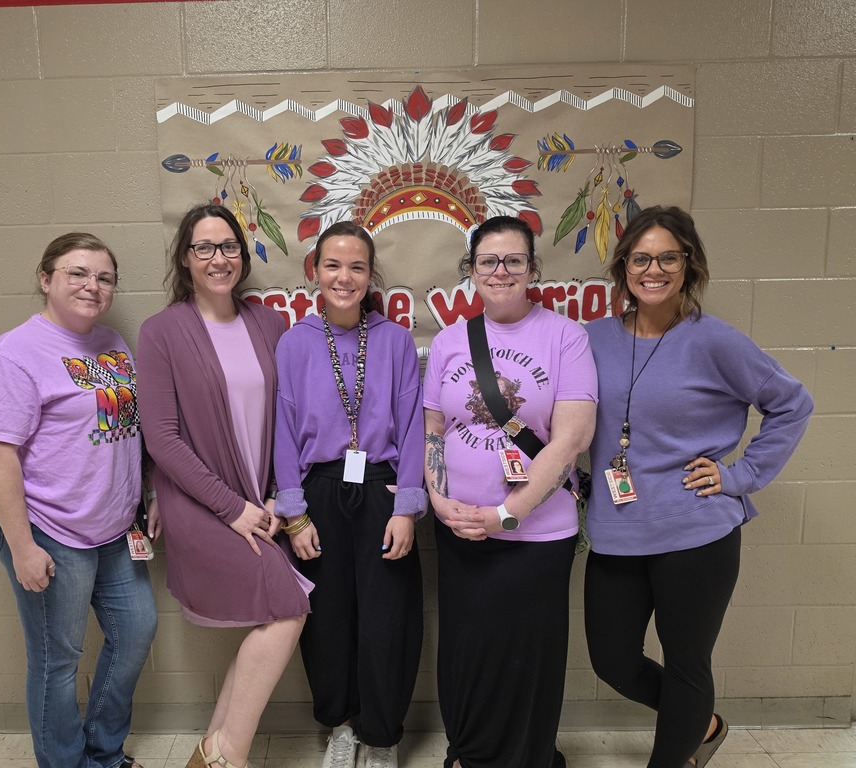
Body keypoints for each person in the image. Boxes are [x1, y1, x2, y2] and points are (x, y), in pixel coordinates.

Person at [583, 206, 814, 768]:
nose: (654, 270)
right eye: (641, 258)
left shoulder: (715, 341)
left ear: (689, 264)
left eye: (669, 257)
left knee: (687, 665)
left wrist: (740, 476)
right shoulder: (590, 339)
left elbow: (792, 404)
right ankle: (702, 724)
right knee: (612, 661)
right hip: (616, 529)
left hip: (696, 531)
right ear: (623, 266)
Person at [0, 233, 157, 768]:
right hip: (50, 532)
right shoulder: (16, 352)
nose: (92, 286)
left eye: (104, 277)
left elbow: (129, 432)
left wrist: (149, 493)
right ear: (45, 278)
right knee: (57, 660)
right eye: (77, 273)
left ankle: (104, 752)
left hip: (117, 530)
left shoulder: (113, 343)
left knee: (136, 632)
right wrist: (22, 547)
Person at [136, 204, 308, 768]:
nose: (219, 259)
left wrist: (281, 494)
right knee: (286, 605)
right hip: (199, 502)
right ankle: (227, 755)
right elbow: (162, 439)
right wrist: (231, 507)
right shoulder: (162, 332)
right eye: (204, 248)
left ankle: (210, 752)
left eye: (229, 246)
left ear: (243, 254)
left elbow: (288, 421)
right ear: (185, 259)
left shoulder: (269, 323)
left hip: (261, 500)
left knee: (277, 611)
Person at [423, 215, 597, 768]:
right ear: (471, 271)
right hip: (461, 530)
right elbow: (433, 429)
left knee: (527, 657)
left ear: (532, 269)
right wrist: (438, 500)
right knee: (468, 651)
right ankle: (469, 754)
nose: (500, 272)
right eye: (488, 261)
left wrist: (507, 513)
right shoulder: (450, 341)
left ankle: (526, 758)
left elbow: (570, 441)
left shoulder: (566, 337)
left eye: (513, 261)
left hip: (537, 535)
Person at [275, 221, 425, 768]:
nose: (344, 277)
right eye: (333, 265)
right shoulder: (294, 342)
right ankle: (340, 723)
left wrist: (407, 507)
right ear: (314, 271)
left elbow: (414, 426)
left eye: (357, 266)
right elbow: (282, 431)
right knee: (327, 618)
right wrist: (294, 514)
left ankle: (382, 735)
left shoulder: (394, 340)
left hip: (383, 488)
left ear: (370, 275)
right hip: (319, 492)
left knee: (388, 618)